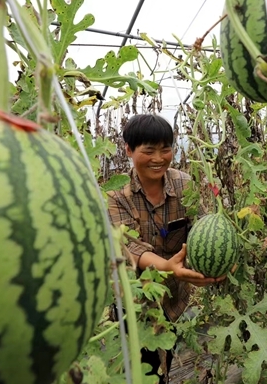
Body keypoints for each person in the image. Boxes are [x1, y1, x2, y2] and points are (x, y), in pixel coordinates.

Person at [106, 113, 226, 383]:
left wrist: (213, 262)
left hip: (172, 299)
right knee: (136, 367)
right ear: (128, 149)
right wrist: (169, 267)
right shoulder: (116, 194)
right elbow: (129, 249)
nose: (158, 158)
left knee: (163, 363)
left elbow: (202, 228)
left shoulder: (184, 183)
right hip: (135, 303)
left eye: (166, 149)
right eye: (149, 151)